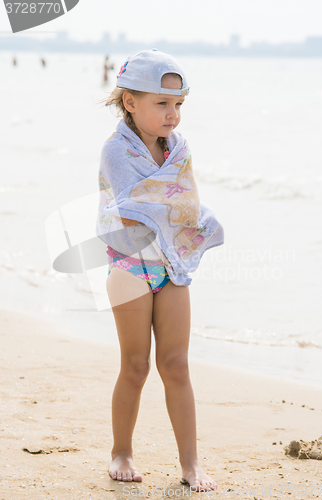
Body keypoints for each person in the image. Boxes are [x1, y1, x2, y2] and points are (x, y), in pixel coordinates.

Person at [96, 49, 224, 492]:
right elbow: (131, 213)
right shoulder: (116, 150)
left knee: (176, 364)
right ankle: (121, 451)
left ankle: (190, 464)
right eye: (162, 104)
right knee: (135, 365)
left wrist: (171, 206)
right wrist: (171, 205)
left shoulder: (179, 148)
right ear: (130, 102)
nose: (173, 115)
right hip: (130, 265)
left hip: (171, 263)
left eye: (179, 105)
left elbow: (184, 203)